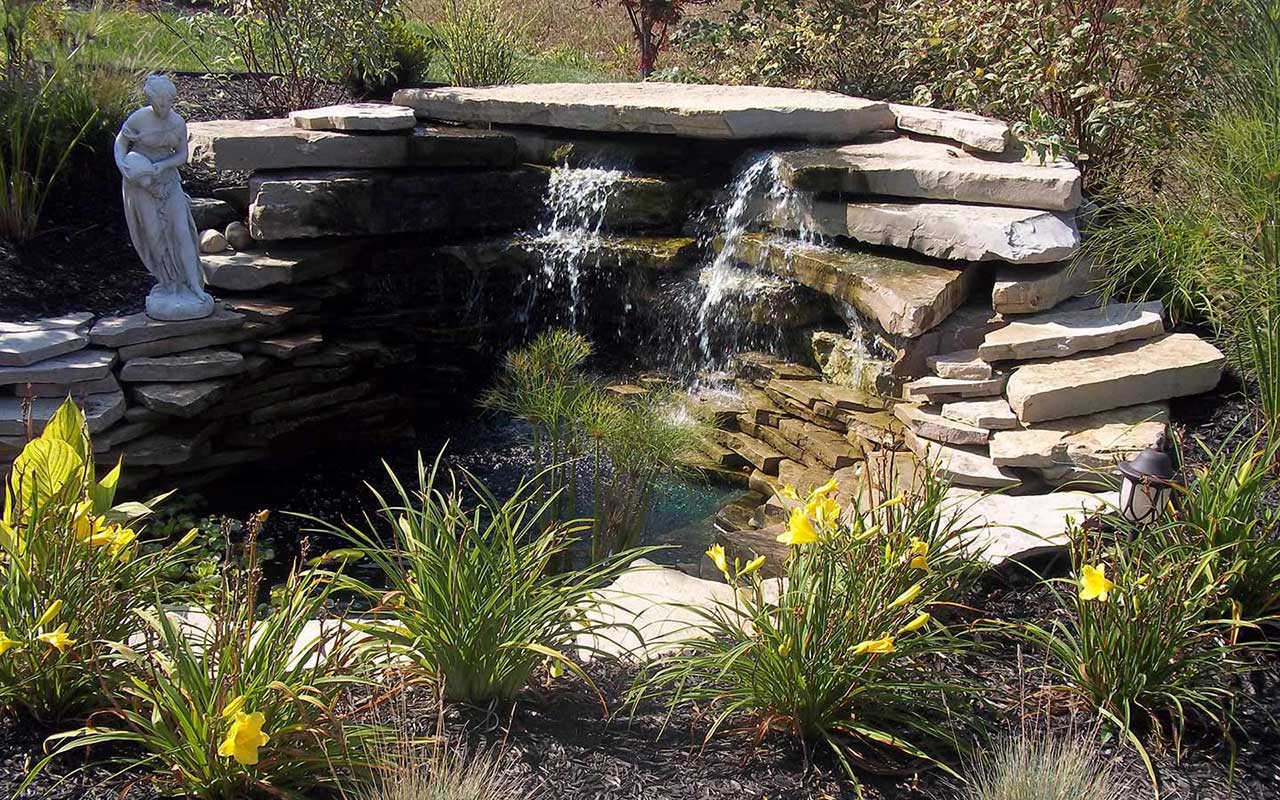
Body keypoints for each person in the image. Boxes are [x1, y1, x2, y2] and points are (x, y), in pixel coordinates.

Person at [114, 74, 215, 321]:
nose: (164, 108)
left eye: (168, 103)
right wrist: (125, 167)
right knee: (155, 234)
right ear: (151, 100)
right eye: (159, 103)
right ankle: (169, 284)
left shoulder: (177, 122)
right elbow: (121, 143)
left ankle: (193, 285)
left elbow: (182, 155)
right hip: (141, 183)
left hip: (168, 179)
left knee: (182, 231)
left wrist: (163, 166)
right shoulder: (139, 119)